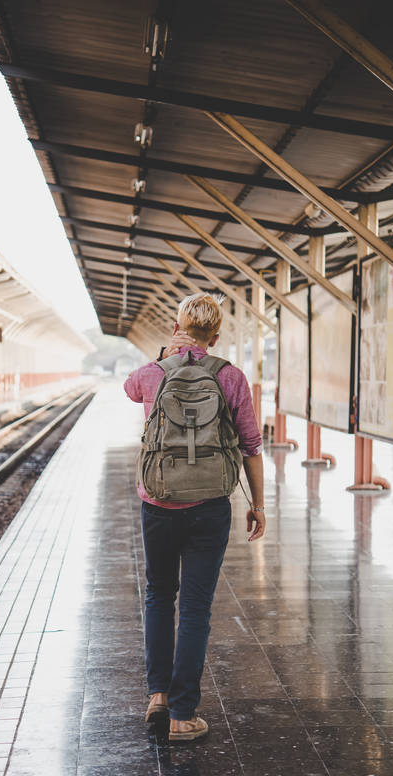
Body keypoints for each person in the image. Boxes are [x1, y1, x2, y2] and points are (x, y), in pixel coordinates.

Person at [124, 293, 265, 741]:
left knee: (159, 595)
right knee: (196, 607)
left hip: (158, 502)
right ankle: (183, 716)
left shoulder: (153, 373)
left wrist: (162, 356)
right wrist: (258, 505)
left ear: (176, 328)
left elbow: (128, 389)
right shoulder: (231, 376)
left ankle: (158, 696)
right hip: (209, 505)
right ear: (216, 336)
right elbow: (251, 446)